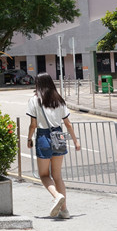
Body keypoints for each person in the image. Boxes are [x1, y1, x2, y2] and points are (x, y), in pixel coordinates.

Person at [26, 72, 81, 218]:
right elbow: (68, 123)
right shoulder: (59, 100)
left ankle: (57, 196)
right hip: (59, 136)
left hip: (44, 137)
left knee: (44, 175)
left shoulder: (34, 100)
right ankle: (65, 211)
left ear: (38, 84)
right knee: (57, 176)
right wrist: (76, 141)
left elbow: (33, 124)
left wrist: (29, 139)